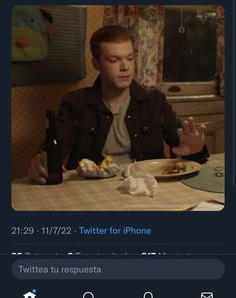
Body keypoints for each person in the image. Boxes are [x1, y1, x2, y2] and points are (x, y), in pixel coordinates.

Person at [28, 25, 208, 184]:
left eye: (130, 58)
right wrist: (39, 161)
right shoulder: (75, 103)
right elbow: (53, 147)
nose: (125, 67)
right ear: (96, 64)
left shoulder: (155, 101)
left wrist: (196, 151)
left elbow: (185, 148)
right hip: (93, 192)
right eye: (114, 60)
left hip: (148, 187)